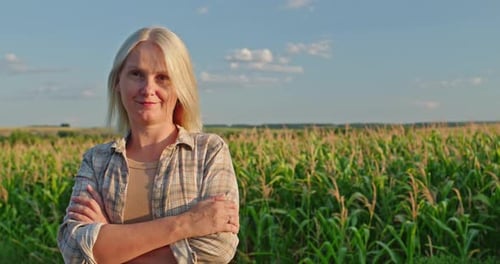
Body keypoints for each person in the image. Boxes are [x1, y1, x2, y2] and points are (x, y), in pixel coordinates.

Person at [57, 26, 240, 264]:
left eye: (162, 78)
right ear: (117, 82)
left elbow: (217, 249)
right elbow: (74, 250)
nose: (148, 89)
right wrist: (186, 224)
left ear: (180, 86)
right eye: (136, 74)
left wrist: (109, 246)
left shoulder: (208, 152)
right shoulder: (97, 160)